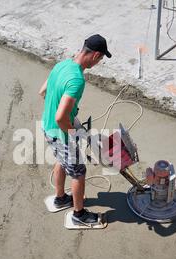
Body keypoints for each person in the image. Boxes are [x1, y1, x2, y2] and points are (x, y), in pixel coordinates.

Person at [39, 34, 111, 225]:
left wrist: (68, 117)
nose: (98, 62)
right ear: (95, 55)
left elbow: (43, 92)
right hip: (61, 133)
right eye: (101, 59)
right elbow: (60, 117)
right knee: (79, 171)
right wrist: (71, 133)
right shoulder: (77, 80)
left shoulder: (62, 64)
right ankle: (79, 215)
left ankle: (61, 197)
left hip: (47, 127)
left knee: (61, 161)